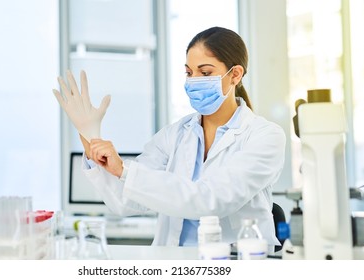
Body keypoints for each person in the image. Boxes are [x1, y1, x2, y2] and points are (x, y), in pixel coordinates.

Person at [53, 26, 286, 251]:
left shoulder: (264, 136)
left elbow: (212, 200)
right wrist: (89, 135)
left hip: (235, 260)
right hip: (172, 259)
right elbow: (124, 201)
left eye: (205, 73)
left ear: (235, 75)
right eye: (189, 72)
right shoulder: (174, 135)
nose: (193, 81)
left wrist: (125, 170)